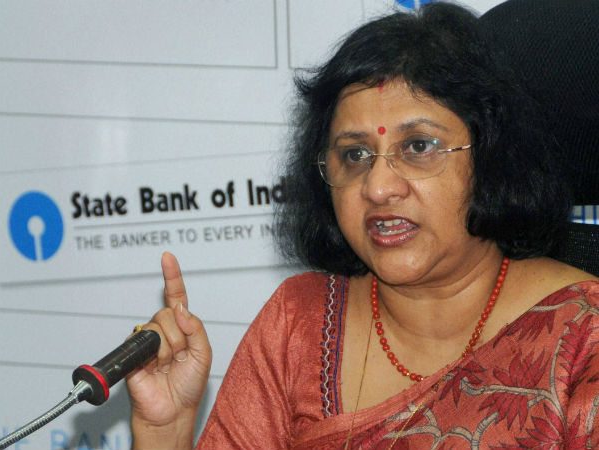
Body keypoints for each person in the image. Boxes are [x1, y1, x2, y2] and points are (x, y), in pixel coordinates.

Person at [127, 2, 599, 449]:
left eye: (418, 147)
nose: (377, 187)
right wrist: (164, 432)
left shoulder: (584, 335)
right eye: (354, 154)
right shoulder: (299, 322)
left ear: (492, 158)